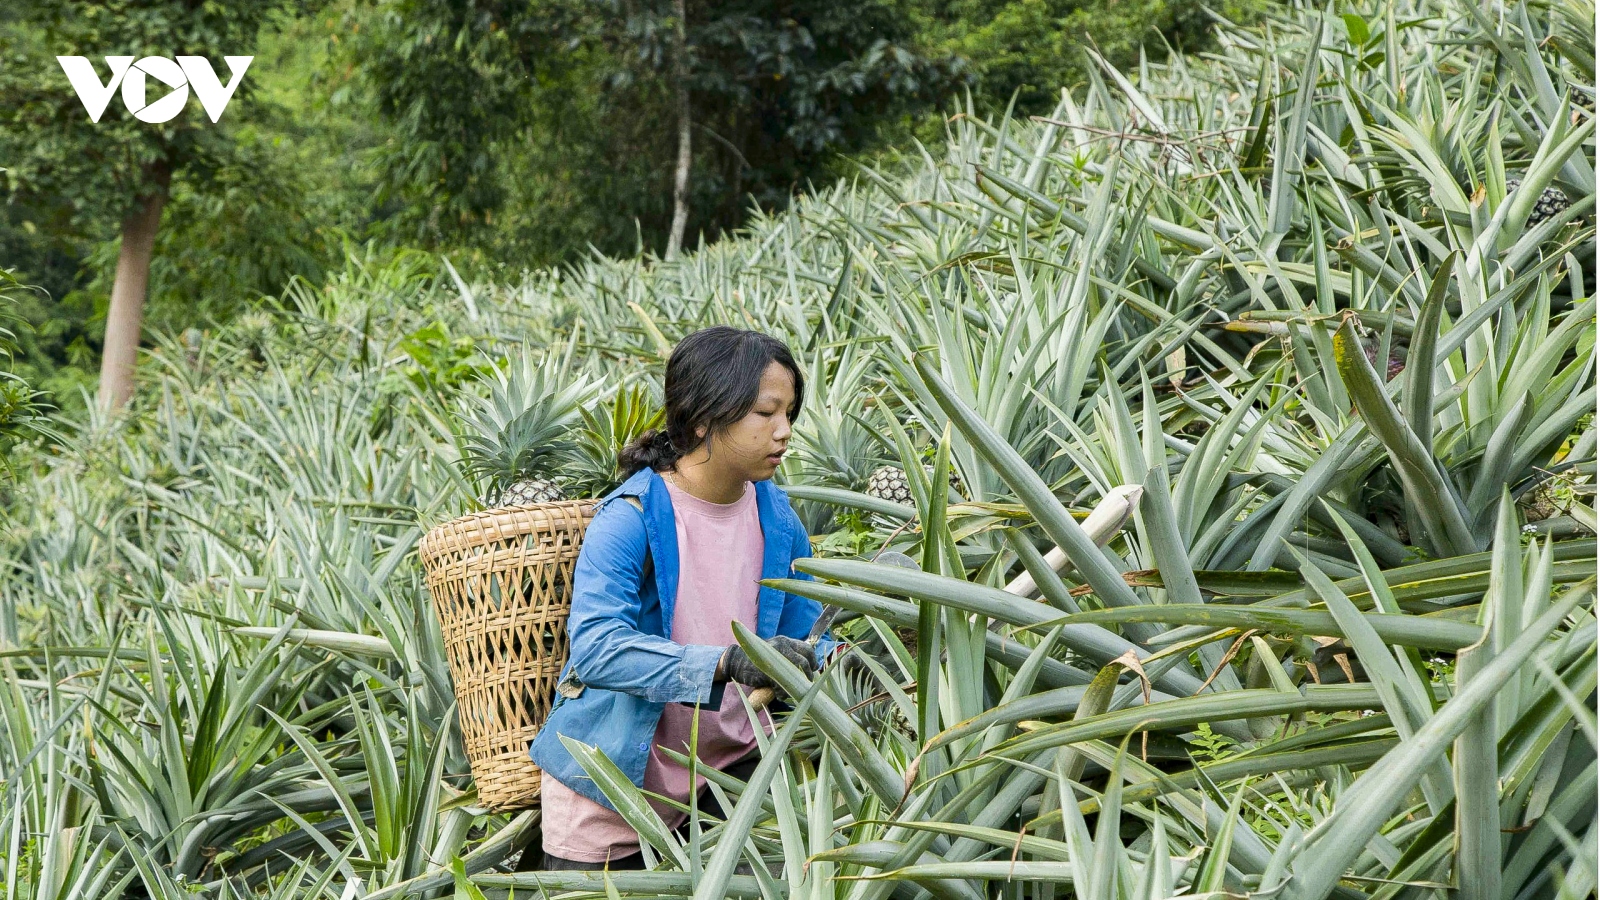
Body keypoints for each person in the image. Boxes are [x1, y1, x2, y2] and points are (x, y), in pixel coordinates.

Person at [527, 325, 842, 870]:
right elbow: (598, 649)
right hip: (614, 795)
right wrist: (724, 663)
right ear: (704, 417)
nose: (784, 431)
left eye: (789, 413)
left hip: (730, 781)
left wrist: (842, 659)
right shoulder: (627, 519)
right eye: (765, 413)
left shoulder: (777, 516)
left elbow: (810, 633)